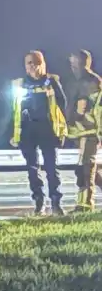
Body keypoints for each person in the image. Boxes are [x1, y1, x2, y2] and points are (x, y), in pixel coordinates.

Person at [10, 50, 68, 216]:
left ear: (43, 63)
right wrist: (12, 133)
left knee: (51, 167)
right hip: (27, 131)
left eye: (36, 62)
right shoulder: (19, 84)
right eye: (29, 63)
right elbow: (12, 110)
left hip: (48, 129)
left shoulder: (52, 81)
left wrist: (63, 130)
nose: (32, 66)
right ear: (25, 66)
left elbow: (63, 106)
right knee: (32, 168)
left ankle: (56, 203)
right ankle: (39, 202)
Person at [66, 50, 102, 210]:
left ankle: (85, 204)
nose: (73, 67)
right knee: (87, 167)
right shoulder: (74, 82)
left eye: (76, 64)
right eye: (71, 64)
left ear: (84, 63)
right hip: (77, 132)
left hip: (90, 132)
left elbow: (97, 112)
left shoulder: (92, 83)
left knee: (85, 168)